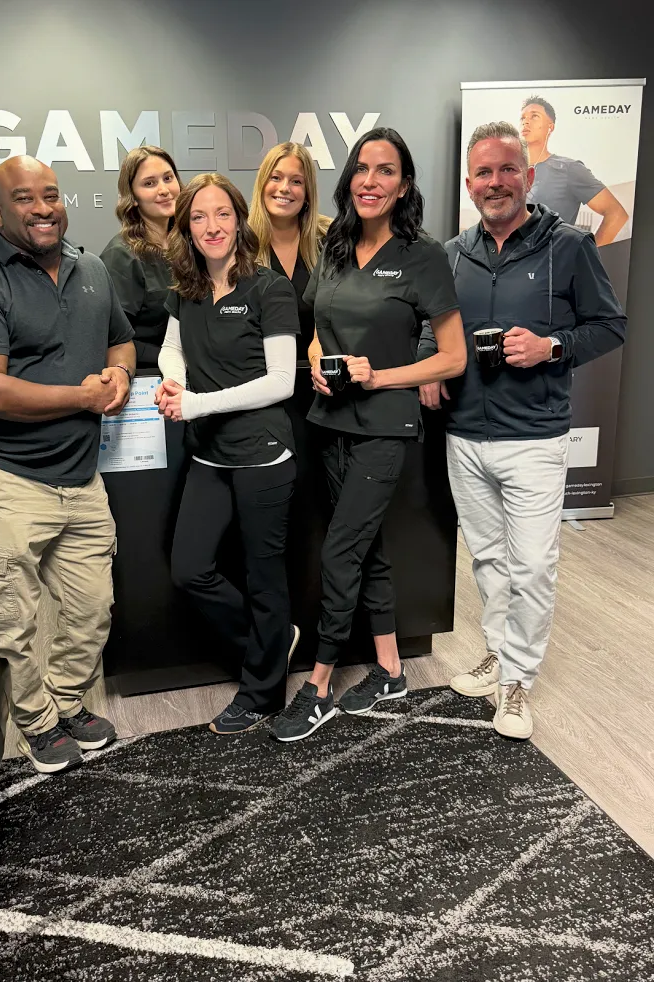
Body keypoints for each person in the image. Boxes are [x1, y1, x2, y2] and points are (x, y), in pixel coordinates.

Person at [419, 121, 626, 739]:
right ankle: (498, 652)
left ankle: (516, 681)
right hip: (464, 435)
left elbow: (609, 326)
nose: (496, 182)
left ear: (528, 176)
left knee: (532, 566)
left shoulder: (569, 246)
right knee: (488, 560)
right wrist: (428, 365)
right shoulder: (454, 253)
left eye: (508, 169)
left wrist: (550, 346)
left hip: (535, 437)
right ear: (469, 184)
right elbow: (434, 324)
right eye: (484, 172)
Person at [0, 155, 136, 774]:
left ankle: (68, 701)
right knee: (13, 618)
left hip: (79, 475)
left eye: (51, 194)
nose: (43, 208)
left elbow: (121, 340)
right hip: (3, 477)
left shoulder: (92, 269)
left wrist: (119, 375)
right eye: (24, 198)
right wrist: (84, 397)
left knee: (92, 607)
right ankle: (37, 722)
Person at [271, 128, 467, 743]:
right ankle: (390, 669)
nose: (370, 180)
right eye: (361, 168)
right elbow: (315, 327)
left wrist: (380, 376)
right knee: (365, 545)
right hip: (330, 420)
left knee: (340, 552)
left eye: (385, 170)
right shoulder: (335, 243)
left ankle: (318, 687)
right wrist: (316, 361)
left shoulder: (422, 255)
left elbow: (453, 357)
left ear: (404, 185)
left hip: (385, 424)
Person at [157, 173, 301, 735]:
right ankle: (274, 640)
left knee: (265, 579)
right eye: (198, 216)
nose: (211, 226)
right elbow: (172, 348)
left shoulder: (269, 289)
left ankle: (262, 693)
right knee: (189, 570)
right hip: (210, 456)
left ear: (239, 220)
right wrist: (173, 382)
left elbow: (282, 381)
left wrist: (196, 404)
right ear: (186, 228)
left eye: (222, 214)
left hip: (263, 454)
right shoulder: (186, 288)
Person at [100, 146, 181, 370]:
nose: (164, 190)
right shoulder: (122, 255)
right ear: (133, 197)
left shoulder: (189, 245)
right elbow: (114, 340)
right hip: (147, 375)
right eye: (149, 183)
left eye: (168, 178)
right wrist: (178, 359)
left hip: (191, 372)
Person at [249, 142, 330, 358]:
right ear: (262, 183)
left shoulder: (329, 239)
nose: (285, 188)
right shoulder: (241, 244)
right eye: (276, 177)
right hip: (259, 375)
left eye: (296, 181)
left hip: (318, 372)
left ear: (308, 191)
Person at [521, 96, 628, 245]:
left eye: (534, 116)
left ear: (550, 127)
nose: (526, 122)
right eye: (523, 118)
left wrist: (588, 254)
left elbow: (616, 213)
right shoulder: (510, 171)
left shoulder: (568, 169)